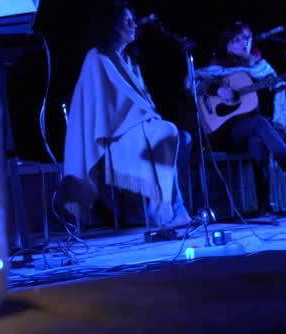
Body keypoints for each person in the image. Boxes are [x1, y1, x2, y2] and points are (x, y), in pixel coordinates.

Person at [58, 1, 191, 229]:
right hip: (110, 136)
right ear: (111, 24)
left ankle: (167, 207)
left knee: (181, 136)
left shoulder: (127, 60)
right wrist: (143, 119)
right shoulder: (96, 57)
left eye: (133, 19)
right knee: (166, 131)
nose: (133, 24)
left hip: (132, 129)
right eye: (126, 20)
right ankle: (162, 210)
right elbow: (102, 110)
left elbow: (140, 102)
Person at [191, 20, 286, 218]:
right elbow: (194, 83)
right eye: (237, 40)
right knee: (260, 123)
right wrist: (218, 89)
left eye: (247, 39)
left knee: (258, 139)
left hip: (255, 131)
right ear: (226, 44)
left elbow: (282, 90)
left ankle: (264, 205)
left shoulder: (261, 67)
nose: (244, 44)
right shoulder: (216, 67)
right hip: (223, 131)